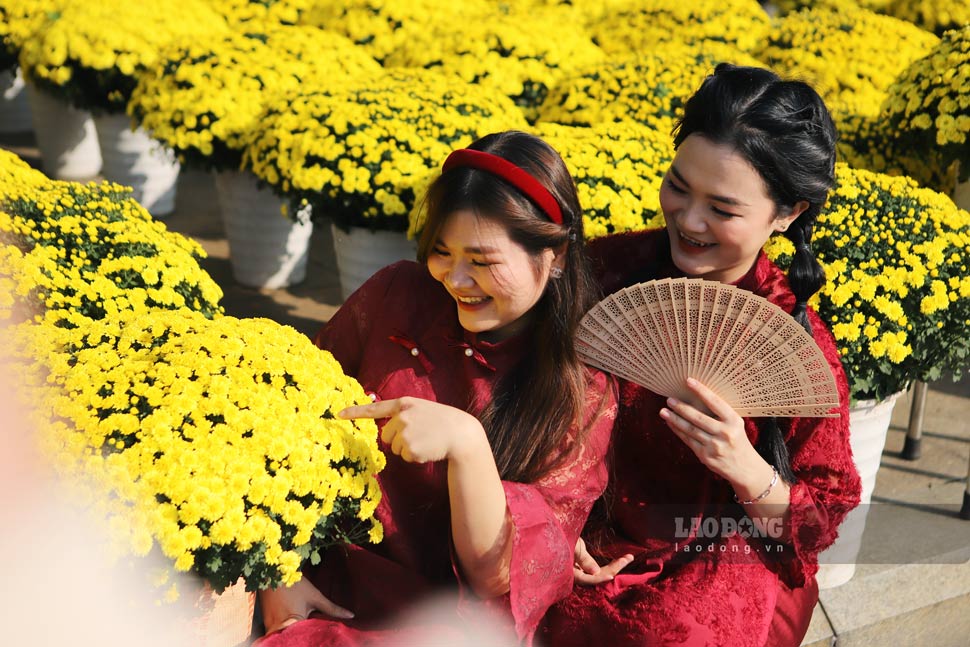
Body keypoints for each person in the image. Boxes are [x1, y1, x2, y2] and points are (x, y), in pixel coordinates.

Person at [540, 64, 863, 647]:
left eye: (723, 208)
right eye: (678, 186)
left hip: (728, 551)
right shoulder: (605, 273)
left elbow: (817, 522)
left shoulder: (792, 336)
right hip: (591, 528)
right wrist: (557, 522)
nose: (688, 221)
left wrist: (745, 465)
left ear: (787, 214)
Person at [255, 131, 616, 647]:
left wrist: (468, 446)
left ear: (555, 255)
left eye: (484, 262)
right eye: (442, 252)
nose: (456, 280)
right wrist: (275, 572)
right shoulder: (397, 292)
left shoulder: (582, 390)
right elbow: (282, 416)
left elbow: (498, 580)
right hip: (314, 570)